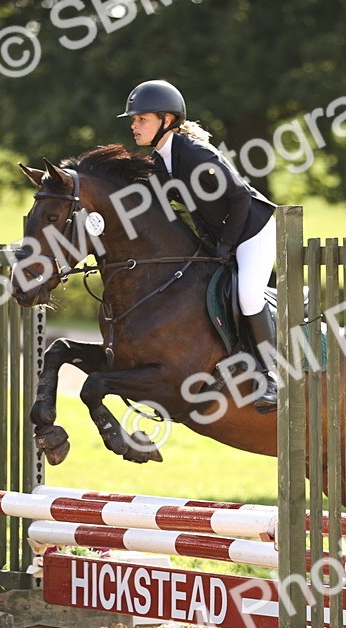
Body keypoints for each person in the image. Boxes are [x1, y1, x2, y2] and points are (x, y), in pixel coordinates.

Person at [121, 79, 279, 413]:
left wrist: (226, 244)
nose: (134, 125)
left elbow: (237, 197)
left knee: (248, 294)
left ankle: (272, 374)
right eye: (134, 120)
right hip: (223, 234)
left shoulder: (194, 154)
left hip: (253, 230)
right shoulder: (161, 160)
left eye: (141, 119)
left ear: (166, 120)